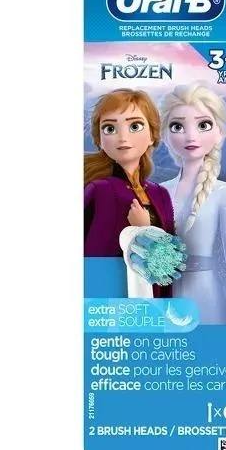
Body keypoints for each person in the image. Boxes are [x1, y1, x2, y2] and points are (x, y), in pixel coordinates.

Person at [160, 84, 226, 323]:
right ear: (165, 135)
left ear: (219, 133)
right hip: (166, 301)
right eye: (177, 126)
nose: (191, 136)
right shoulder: (159, 191)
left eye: (203, 125)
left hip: (209, 299)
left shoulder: (224, 193)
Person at [84, 88, 174, 297]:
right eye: (109, 128)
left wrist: (145, 230)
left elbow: (170, 262)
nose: (122, 137)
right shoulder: (99, 190)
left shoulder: (160, 194)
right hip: (105, 298)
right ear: (99, 140)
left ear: (152, 135)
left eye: (135, 126)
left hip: (153, 297)